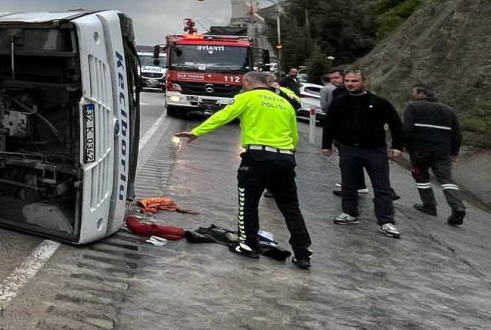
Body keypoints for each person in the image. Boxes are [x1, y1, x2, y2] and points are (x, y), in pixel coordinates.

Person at [174, 71, 312, 269]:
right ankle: (302, 253)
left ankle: (248, 245)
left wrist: (197, 132)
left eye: (242, 82)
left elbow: (223, 116)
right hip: (285, 158)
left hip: (257, 158)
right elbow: (294, 135)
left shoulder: (246, 97)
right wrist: (286, 154)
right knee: (291, 207)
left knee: (248, 203)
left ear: (248, 81)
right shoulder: (284, 103)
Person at [320, 69, 406, 238]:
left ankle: (386, 221)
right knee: (348, 183)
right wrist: (326, 145)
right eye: (348, 81)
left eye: (354, 81)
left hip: (375, 150)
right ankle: (349, 213)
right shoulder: (339, 102)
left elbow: (396, 124)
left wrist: (397, 146)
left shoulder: (379, 102)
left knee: (381, 186)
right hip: (349, 149)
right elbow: (329, 124)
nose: (350, 84)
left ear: (364, 81)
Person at [403, 84, 465, 226]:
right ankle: (458, 206)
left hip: (420, 150)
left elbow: (407, 128)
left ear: (421, 93)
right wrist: (454, 152)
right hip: (442, 151)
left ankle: (429, 205)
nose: (412, 94)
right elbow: (457, 134)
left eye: (414, 92)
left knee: (420, 175)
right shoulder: (448, 110)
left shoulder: (413, 107)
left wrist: (403, 146)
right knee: (446, 179)